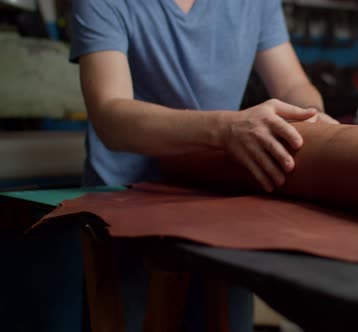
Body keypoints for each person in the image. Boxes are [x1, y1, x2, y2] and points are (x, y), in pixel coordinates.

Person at [71, 0, 338, 330]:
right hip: (124, 205)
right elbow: (111, 116)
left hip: (216, 202)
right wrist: (227, 129)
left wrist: (310, 115)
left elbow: (291, 85)